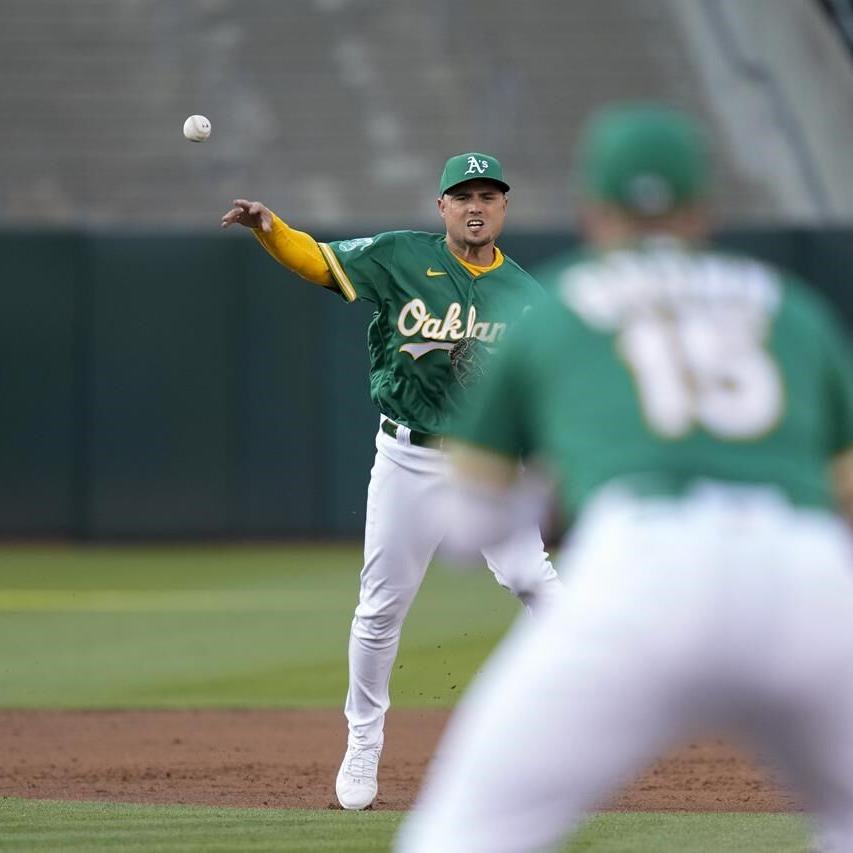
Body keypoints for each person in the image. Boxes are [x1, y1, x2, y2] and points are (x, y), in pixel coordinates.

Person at [395, 104, 853, 852]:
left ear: (591, 210)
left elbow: (469, 526)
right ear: (703, 209)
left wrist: (549, 490)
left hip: (642, 573)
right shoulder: (794, 312)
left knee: (463, 836)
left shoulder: (555, 306)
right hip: (805, 575)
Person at [220, 153, 561, 811]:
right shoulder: (401, 256)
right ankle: (363, 742)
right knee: (379, 609)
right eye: (463, 195)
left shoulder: (526, 295)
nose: (475, 205)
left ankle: (611, 681)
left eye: (488, 195)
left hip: (488, 462)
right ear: (441, 207)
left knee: (529, 577)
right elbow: (320, 260)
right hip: (408, 457)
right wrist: (272, 230)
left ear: (503, 208)